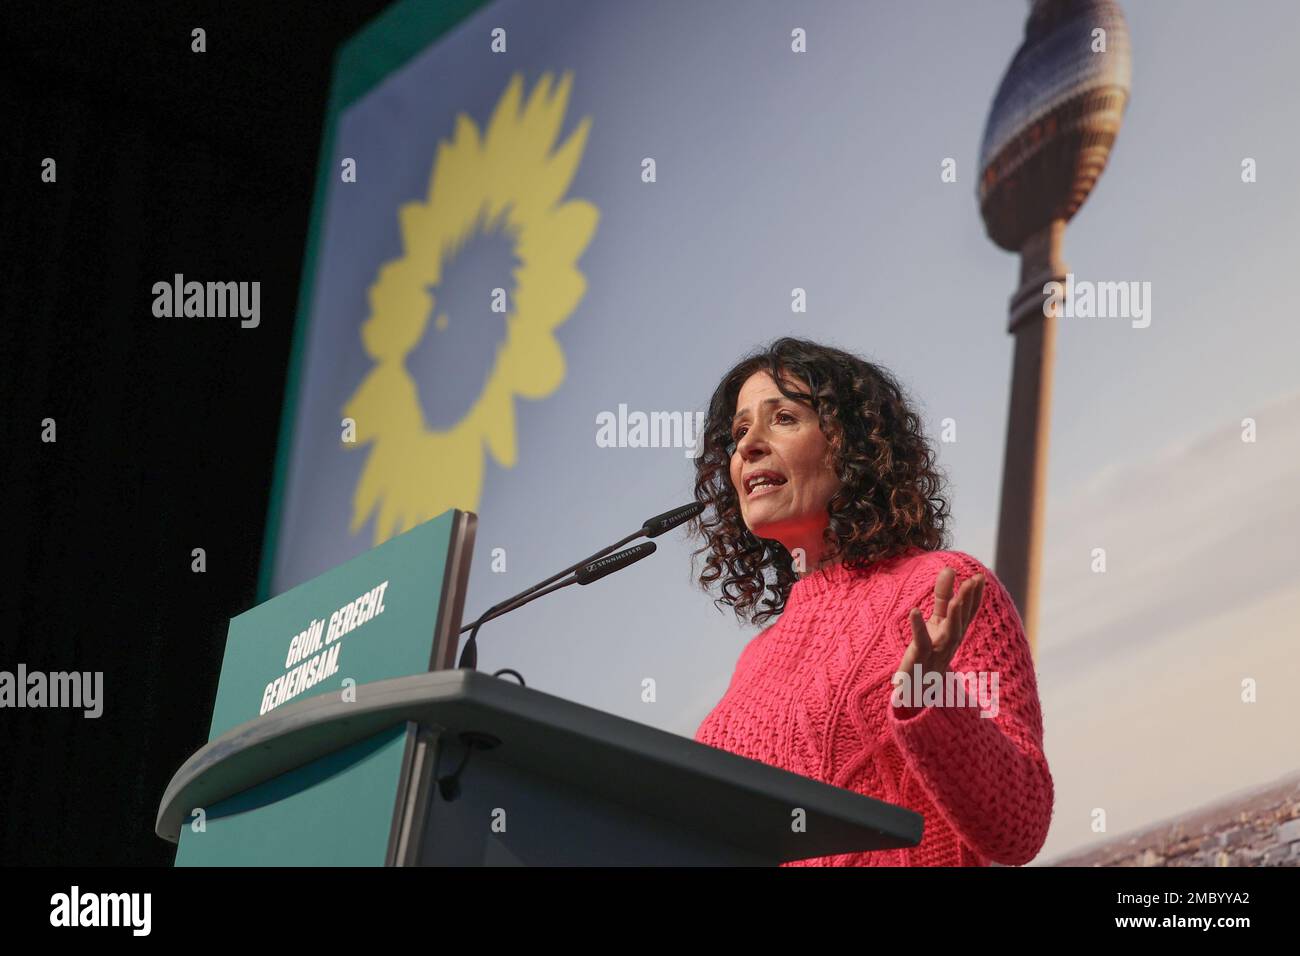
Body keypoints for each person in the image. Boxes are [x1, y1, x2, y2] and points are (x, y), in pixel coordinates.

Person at [690, 337, 1053, 866]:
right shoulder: (755, 660)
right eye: (739, 431)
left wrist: (932, 697)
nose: (748, 445)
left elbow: (1020, 825)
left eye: (783, 418)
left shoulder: (941, 589)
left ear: (851, 444)